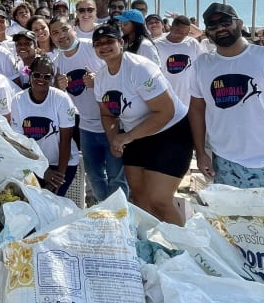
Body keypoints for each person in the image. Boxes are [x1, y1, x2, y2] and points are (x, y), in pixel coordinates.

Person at [189, 3, 264, 188]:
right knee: (234, 216)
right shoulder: (202, 65)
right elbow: (196, 110)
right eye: (213, 25)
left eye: (225, 22)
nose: (220, 28)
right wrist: (201, 153)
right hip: (225, 160)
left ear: (239, 23)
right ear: (207, 32)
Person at [92, 24, 192, 225]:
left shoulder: (139, 68)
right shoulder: (101, 77)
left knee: (160, 200)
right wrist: (114, 140)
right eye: (98, 43)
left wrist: (127, 137)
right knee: (139, 198)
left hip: (169, 132)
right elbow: (107, 115)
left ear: (121, 43)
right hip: (135, 134)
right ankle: (151, 244)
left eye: (109, 41)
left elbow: (165, 111)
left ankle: (182, 248)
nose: (104, 46)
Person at [49, 17, 126, 202]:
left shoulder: (92, 48)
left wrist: (97, 81)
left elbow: (119, 75)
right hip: (86, 127)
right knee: (95, 177)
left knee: (117, 177)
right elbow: (60, 101)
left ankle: (121, 216)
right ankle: (105, 211)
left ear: (74, 28)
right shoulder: (56, 62)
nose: (61, 36)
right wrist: (59, 89)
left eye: (64, 29)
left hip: (113, 122)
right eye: (55, 33)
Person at [10, 55, 79, 196]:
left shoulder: (61, 99)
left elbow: (66, 141)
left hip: (62, 163)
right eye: (36, 75)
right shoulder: (18, 100)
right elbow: (20, 142)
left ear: (52, 79)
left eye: (47, 77)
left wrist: (58, 177)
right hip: (33, 162)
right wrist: (41, 170)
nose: (41, 79)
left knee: (52, 202)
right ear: (29, 75)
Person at [153, 15, 204, 105]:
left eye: (185, 33)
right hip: (166, 101)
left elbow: (202, 66)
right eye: (178, 32)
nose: (181, 36)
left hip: (189, 102)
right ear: (171, 28)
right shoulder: (156, 45)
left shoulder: (192, 43)